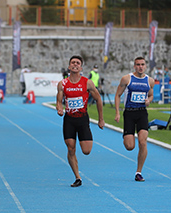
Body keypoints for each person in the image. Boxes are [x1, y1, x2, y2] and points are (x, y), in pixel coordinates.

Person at [55, 55, 105, 187]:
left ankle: (78, 174)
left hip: (82, 119)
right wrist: (59, 109)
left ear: (81, 67)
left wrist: (101, 119)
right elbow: (59, 102)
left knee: (86, 150)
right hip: (69, 120)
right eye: (73, 63)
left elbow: (99, 99)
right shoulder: (62, 84)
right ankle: (77, 177)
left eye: (78, 63)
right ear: (69, 66)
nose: (75, 65)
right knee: (71, 148)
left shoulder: (87, 82)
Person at [114, 56, 155, 182]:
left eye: (142, 64)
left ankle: (139, 172)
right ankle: (127, 137)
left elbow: (151, 95)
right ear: (134, 66)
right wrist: (117, 112)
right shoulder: (127, 79)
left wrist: (149, 100)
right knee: (130, 146)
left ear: (145, 66)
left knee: (143, 142)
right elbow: (117, 95)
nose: (140, 67)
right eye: (138, 64)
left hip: (142, 113)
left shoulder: (150, 81)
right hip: (129, 113)